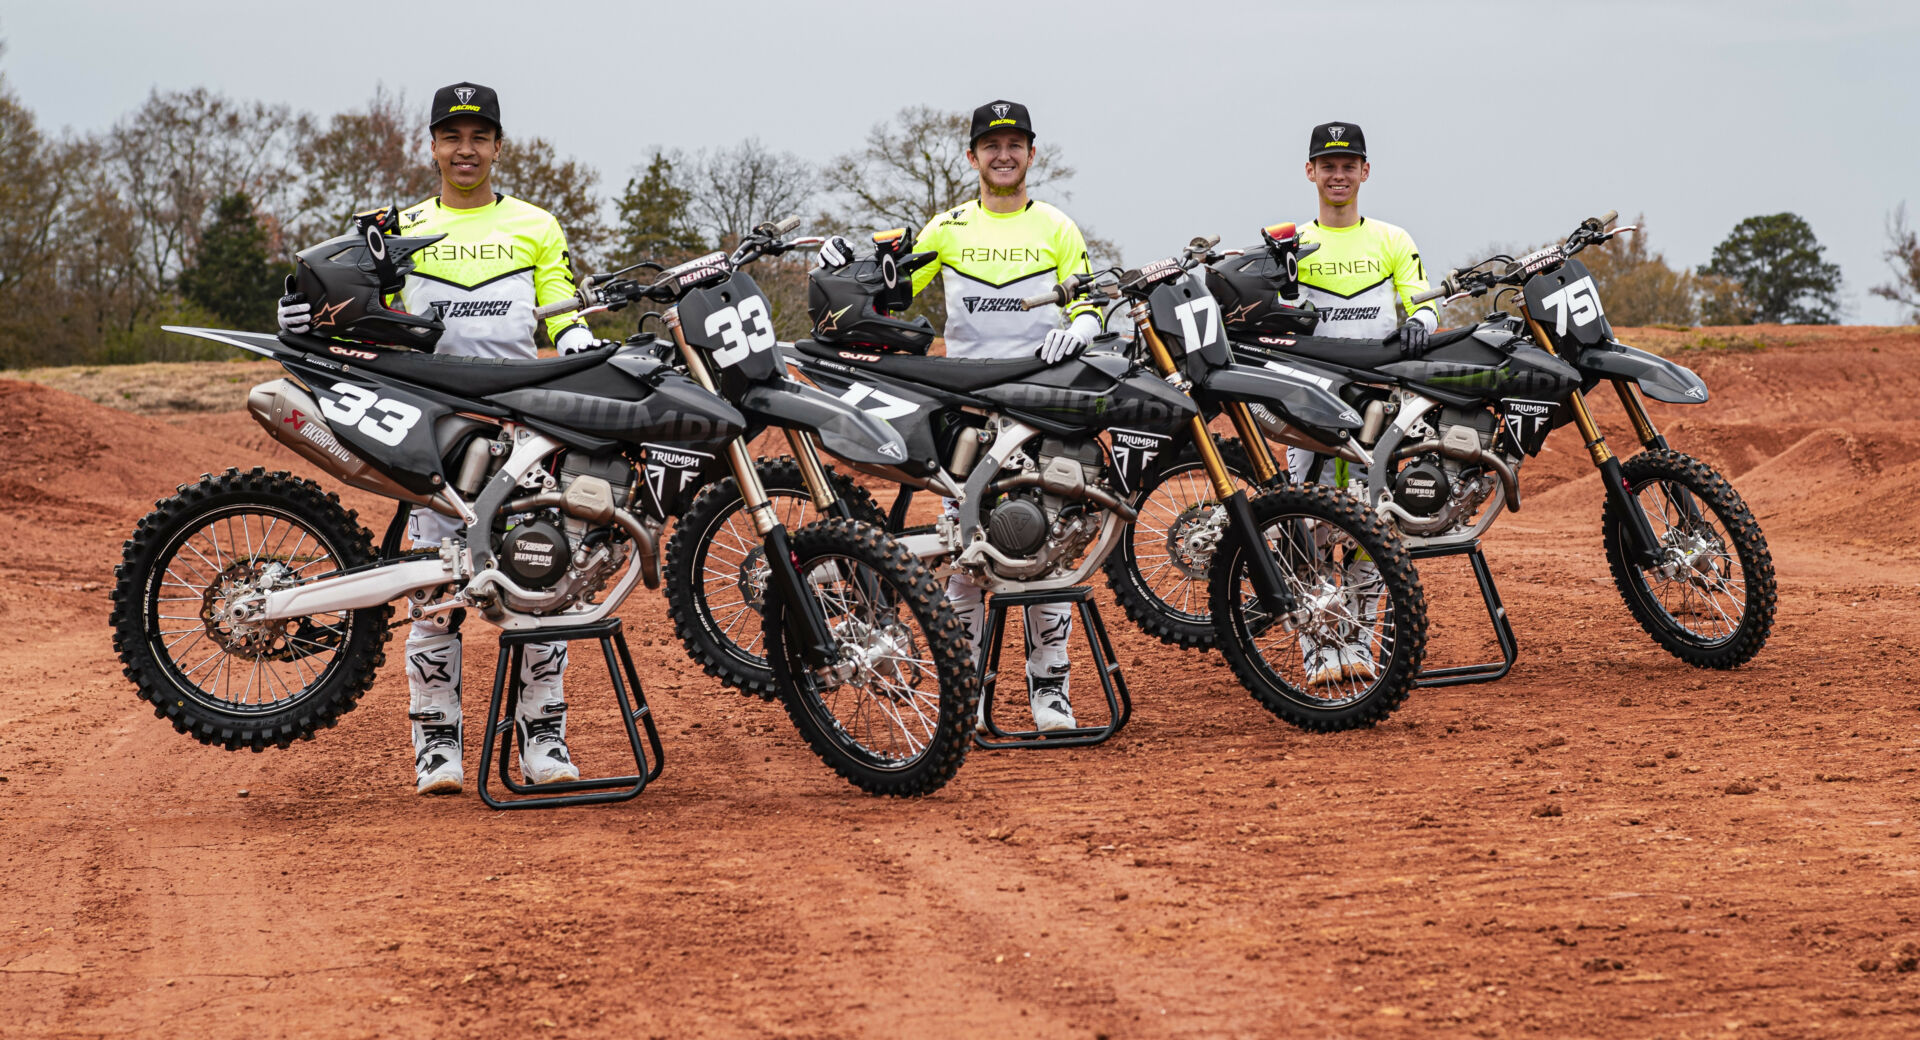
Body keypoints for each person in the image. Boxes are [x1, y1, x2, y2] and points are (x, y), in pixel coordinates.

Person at [278, 82, 598, 794]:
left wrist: (590, 356)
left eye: (479, 136)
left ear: (498, 146)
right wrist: (299, 312)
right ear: (431, 145)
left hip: (526, 424)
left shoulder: (537, 224)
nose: (465, 149)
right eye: (452, 136)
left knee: (542, 579)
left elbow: (563, 315)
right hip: (430, 425)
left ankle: (543, 741)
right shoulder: (392, 229)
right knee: (435, 587)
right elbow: (349, 308)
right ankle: (436, 746)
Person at [818, 99, 1099, 733]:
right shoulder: (945, 228)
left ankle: (1049, 691)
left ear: (1032, 153)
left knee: (1044, 551)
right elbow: (890, 294)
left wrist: (1079, 328)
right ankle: (964, 694)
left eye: (1015, 144)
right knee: (966, 552)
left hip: (1040, 400)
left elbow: (1090, 305)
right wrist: (849, 270)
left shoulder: (1059, 227)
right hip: (966, 408)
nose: (1004, 154)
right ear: (972, 156)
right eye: (991, 145)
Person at [1290, 120, 1436, 686]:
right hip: (1309, 399)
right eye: (1328, 164)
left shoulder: (1393, 239)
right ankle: (1316, 645)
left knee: (1371, 522)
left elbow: (1423, 304)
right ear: (1310, 172)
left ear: (1365, 171)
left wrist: (1421, 321)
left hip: (1377, 404)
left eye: (1349, 164)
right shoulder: (1292, 244)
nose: (1338, 173)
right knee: (1307, 521)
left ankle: (1360, 639)